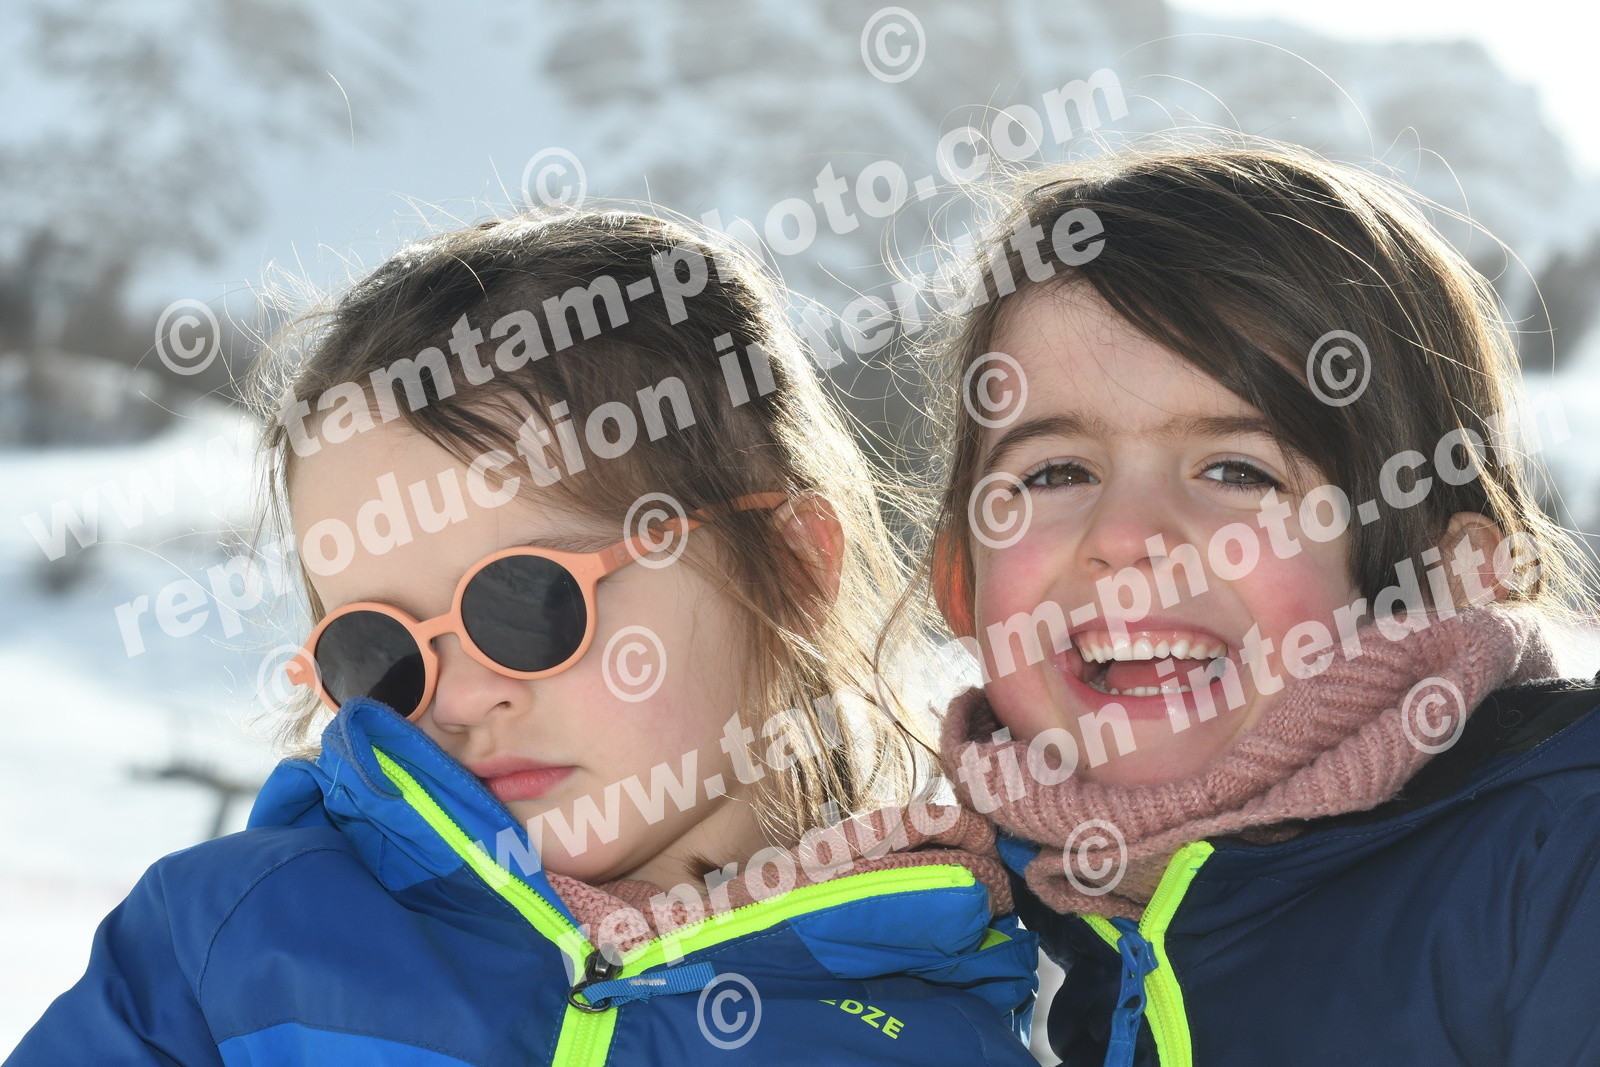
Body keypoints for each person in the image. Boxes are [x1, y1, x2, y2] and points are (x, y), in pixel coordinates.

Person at [7, 209, 1039, 1065]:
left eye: (526, 604)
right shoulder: (227, 947)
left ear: (796, 564)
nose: (461, 698)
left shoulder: (934, 1030)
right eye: (379, 653)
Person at [906, 144, 1600, 1065]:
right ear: (961, 582)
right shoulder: (1001, 943)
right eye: (1055, 471)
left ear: (1441, 578)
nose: (1127, 535)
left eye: (1239, 471)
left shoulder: (1561, 870)